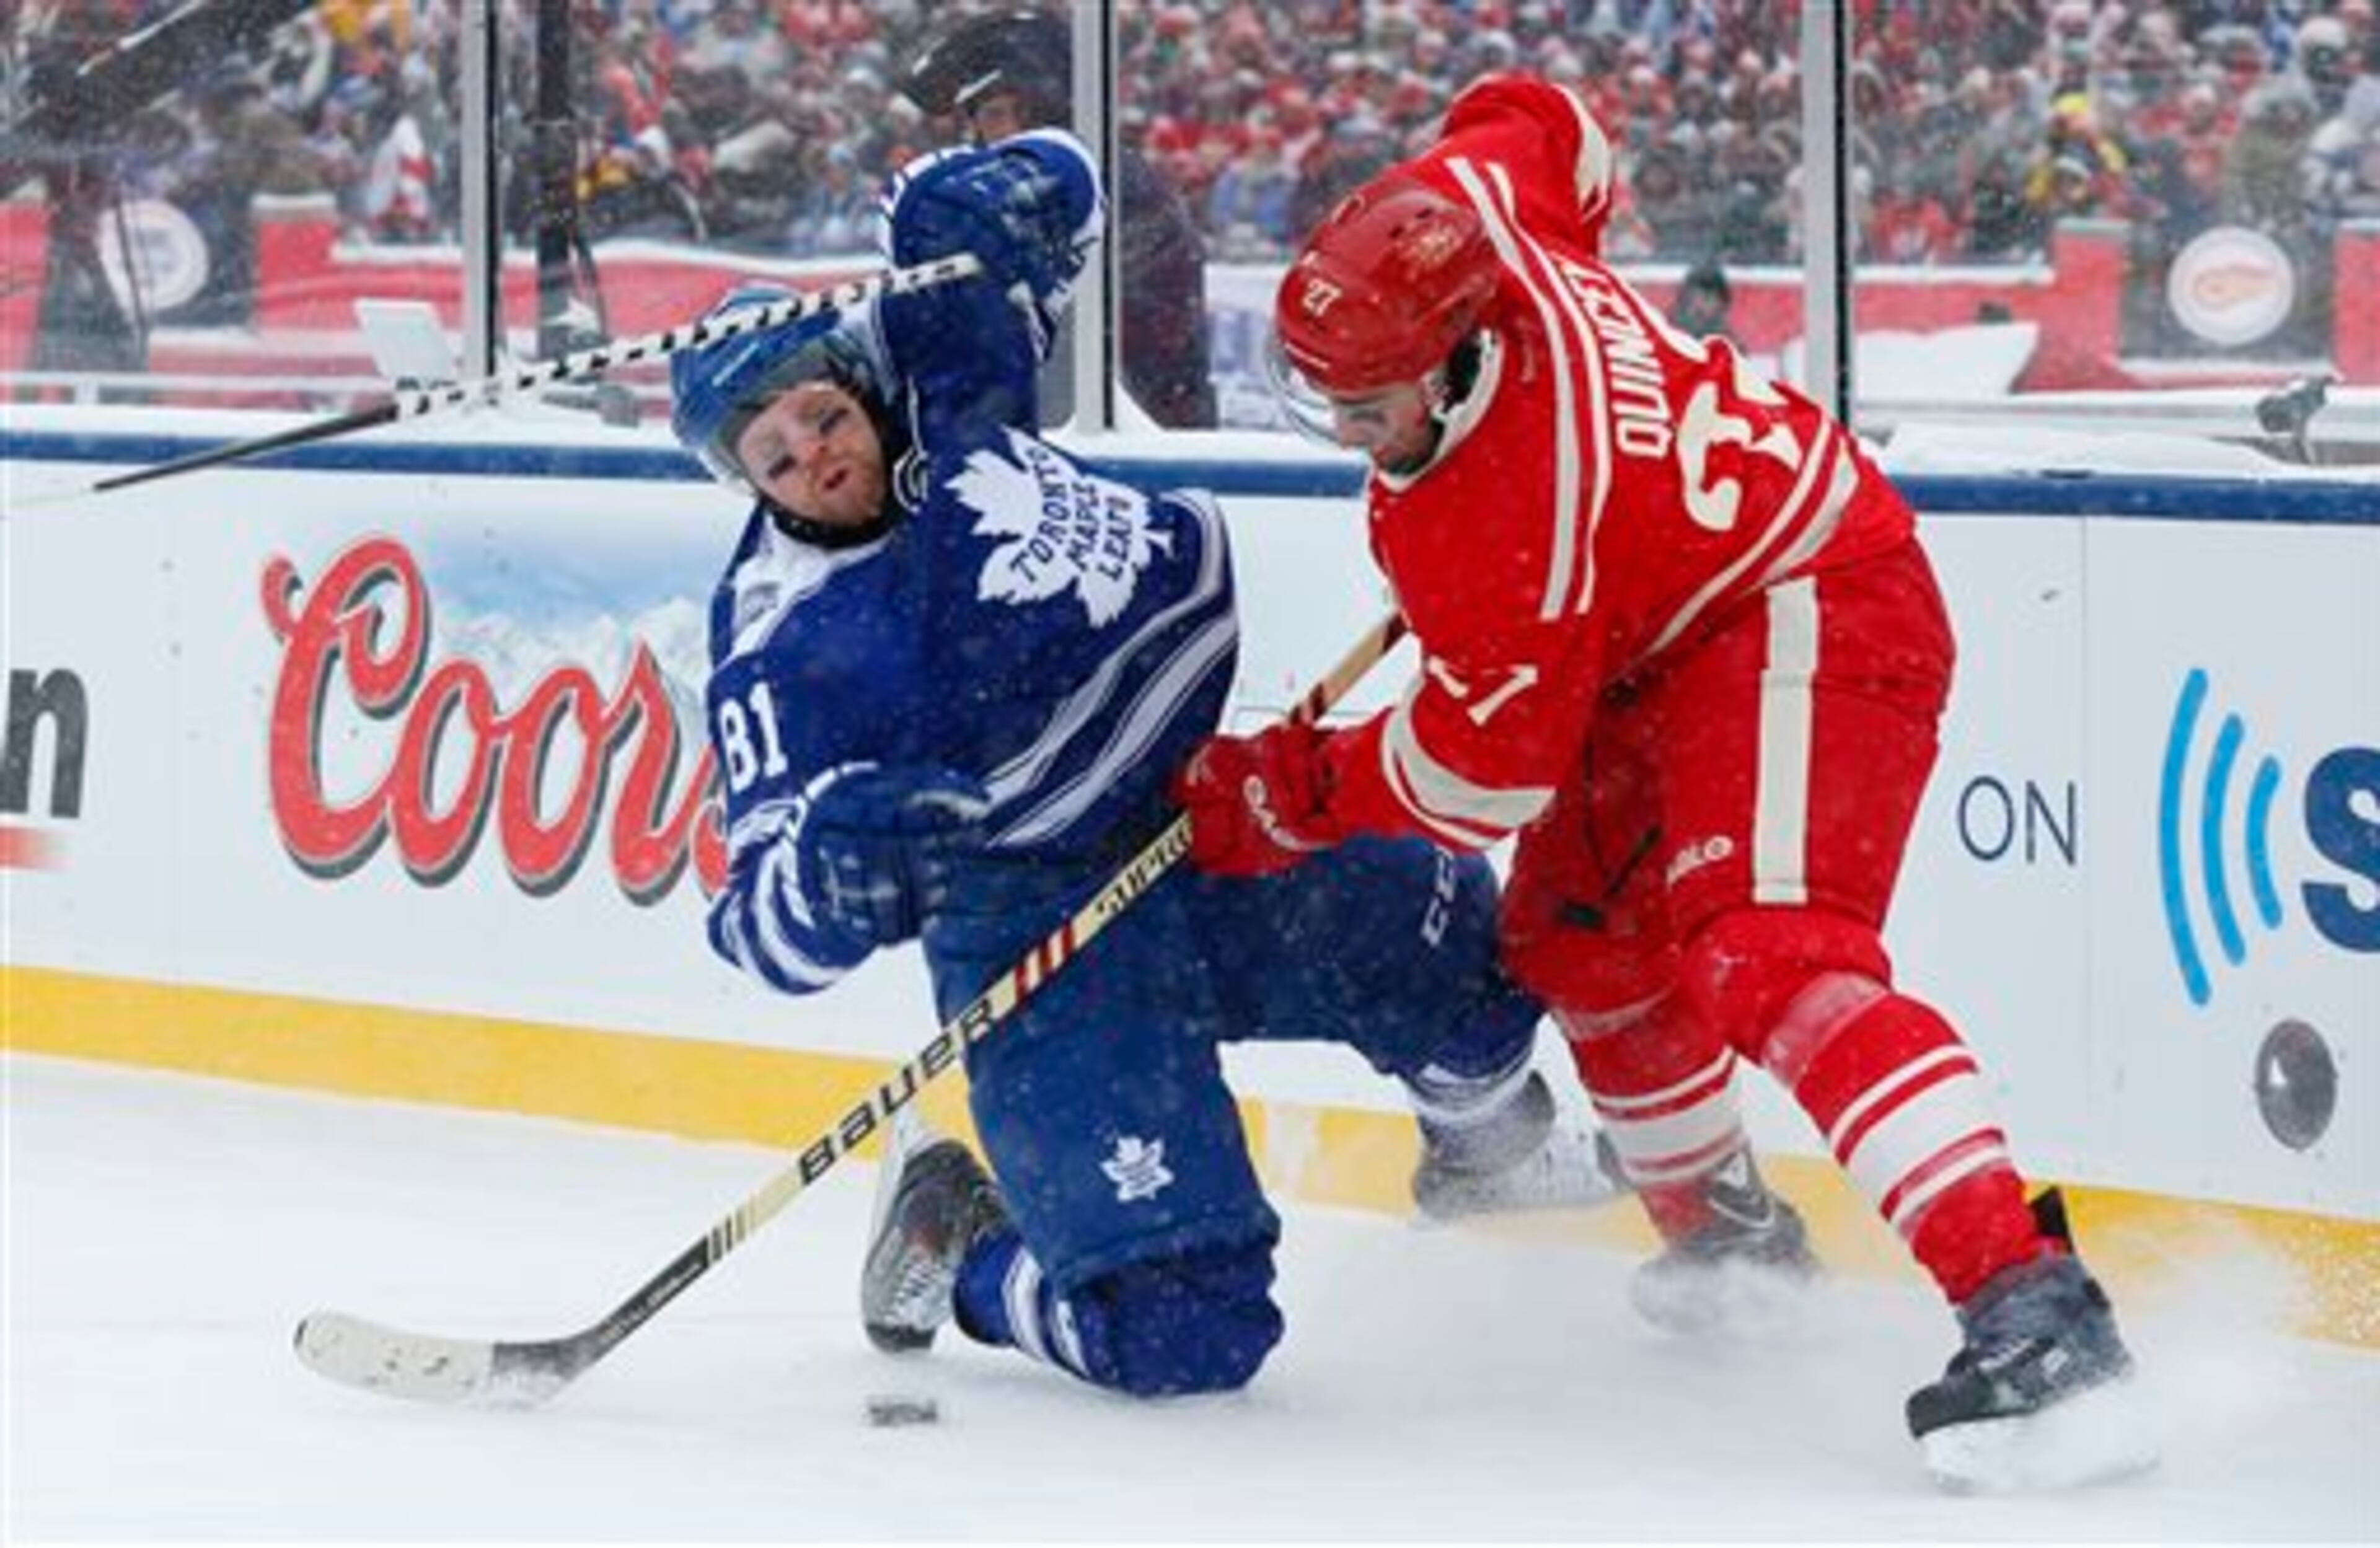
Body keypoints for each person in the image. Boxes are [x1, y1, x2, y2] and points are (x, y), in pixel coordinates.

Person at [1171, 74, 2152, 1490]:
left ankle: (2029, 1305)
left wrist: (1286, 789)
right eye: (1317, 396)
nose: (1344, 434)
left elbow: (1473, 774)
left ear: (1450, 362)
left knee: (1770, 952)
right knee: (1575, 935)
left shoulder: (1501, 513)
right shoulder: (1472, 217)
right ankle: (1729, 1244)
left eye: (1367, 406)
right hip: (1660, 628)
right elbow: (1544, 119)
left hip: (1809, 596)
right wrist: (1442, 185)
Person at [671, 122, 1614, 1401]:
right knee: (1184, 1337)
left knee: (1457, 941)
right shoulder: (784, 644)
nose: (816, 457)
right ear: (742, 481)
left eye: (823, 415)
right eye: (774, 457)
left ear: (859, 385)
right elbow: (757, 924)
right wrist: (837, 870)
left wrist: (987, 204)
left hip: (1197, 809)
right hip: (1042, 929)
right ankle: (964, 1245)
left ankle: (1487, 1160)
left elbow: (1066, 183)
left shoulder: (932, 365)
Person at [898, 5, 1219, 429]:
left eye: (994, 115)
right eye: (974, 122)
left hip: (1125, 452)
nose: (982, 140)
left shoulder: (1109, 192)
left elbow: (1061, 345)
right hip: (1074, 447)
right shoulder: (1059, 187)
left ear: (1049, 111)